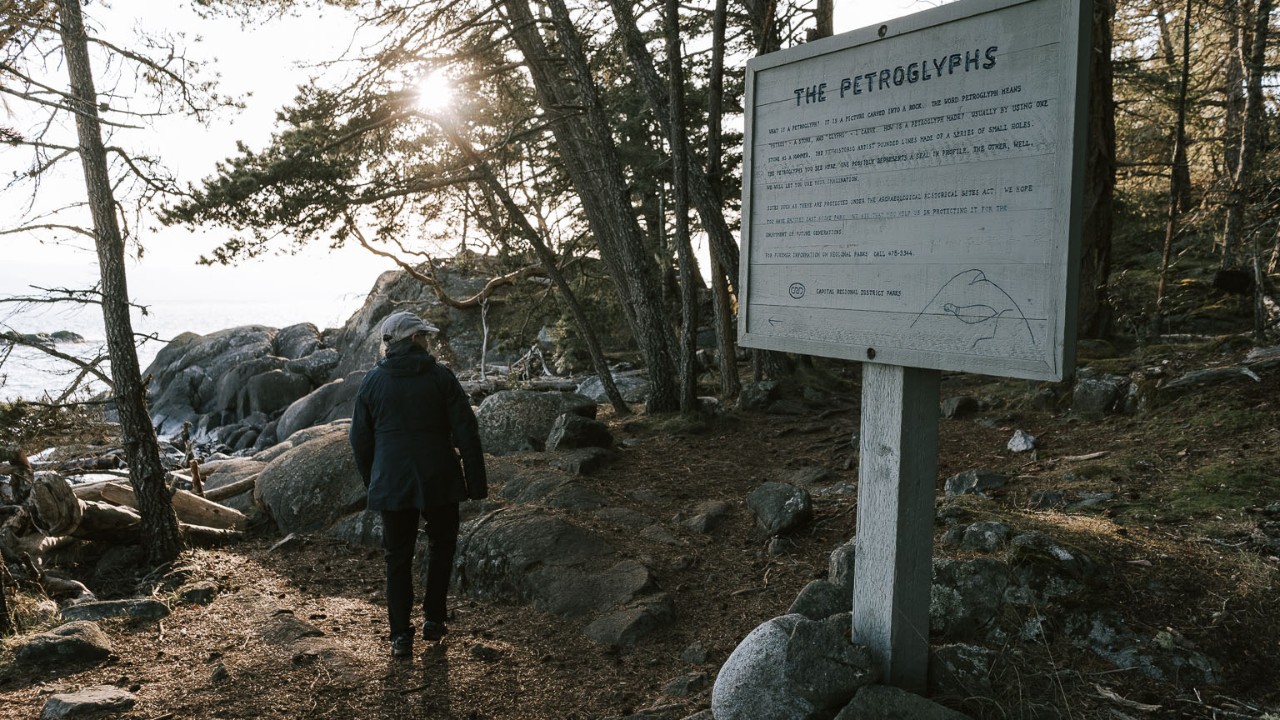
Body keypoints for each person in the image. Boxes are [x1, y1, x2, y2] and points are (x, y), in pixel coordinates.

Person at [349, 310, 488, 659]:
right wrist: (475, 483)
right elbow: (466, 432)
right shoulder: (441, 377)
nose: (429, 340)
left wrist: (373, 481)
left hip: (392, 481)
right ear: (413, 340)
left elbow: (359, 440)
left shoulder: (372, 382)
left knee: (397, 557)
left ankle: (400, 636)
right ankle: (434, 619)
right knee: (442, 546)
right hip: (439, 476)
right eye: (424, 335)